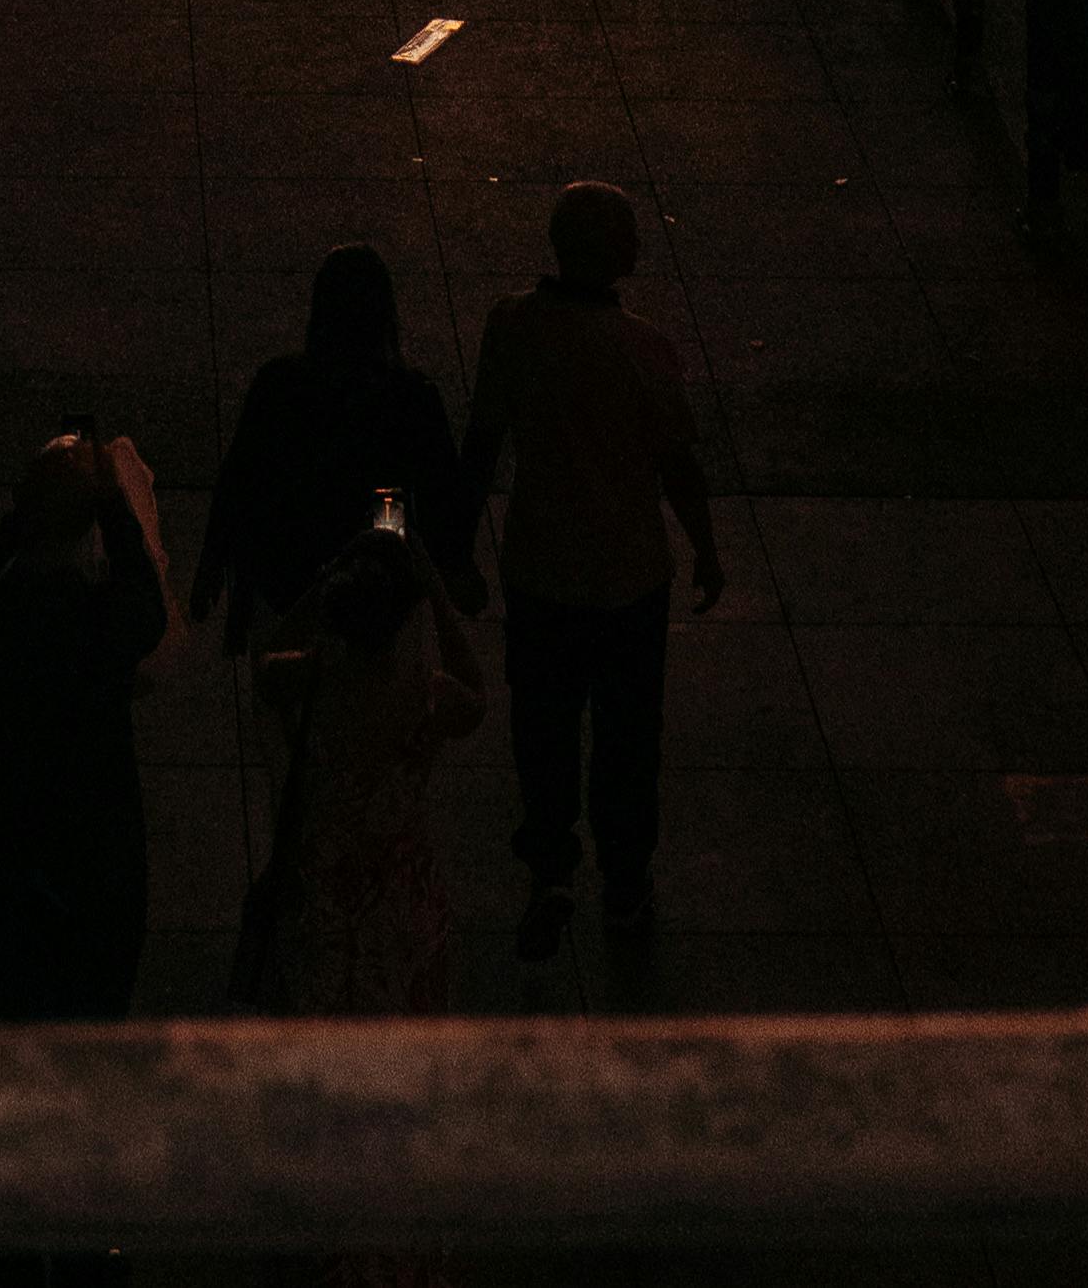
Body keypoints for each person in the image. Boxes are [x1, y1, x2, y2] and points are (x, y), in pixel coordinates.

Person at [454, 180, 720, 962]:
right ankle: (626, 880)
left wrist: (459, 547)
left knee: (543, 725)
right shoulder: (644, 347)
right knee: (628, 737)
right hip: (630, 575)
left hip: (541, 566)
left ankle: (549, 867)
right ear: (613, 252)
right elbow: (677, 463)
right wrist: (705, 545)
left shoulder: (513, 327)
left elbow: (482, 443)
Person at [0, 428, 169, 1021]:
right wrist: (113, 500)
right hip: (98, 870)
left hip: (12, 859)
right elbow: (147, 602)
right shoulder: (99, 623)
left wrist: (25, 514)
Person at [254, 511, 486, 1017]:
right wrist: (433, 589)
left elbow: (265, 660)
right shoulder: (425, 694)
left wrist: (331, 574)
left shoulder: (313, 678)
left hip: (321, 894)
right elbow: (476, 695)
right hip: (405, 897)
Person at [197, 246, 474, 651]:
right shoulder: (411, 397)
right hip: (376, 583)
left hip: (287, 573)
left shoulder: (279, 385)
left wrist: (213, 558)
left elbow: (241, 477)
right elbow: (438, 494)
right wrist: (453, 566)